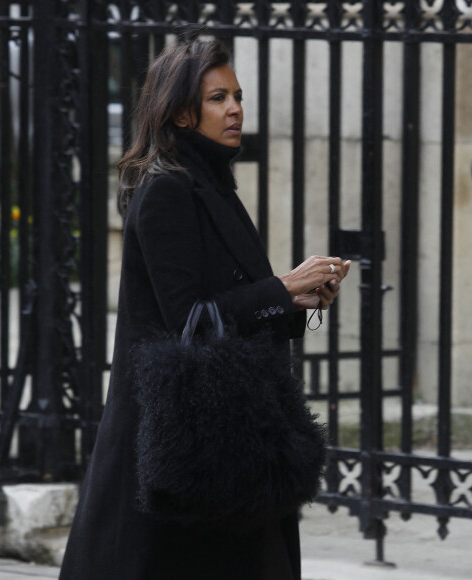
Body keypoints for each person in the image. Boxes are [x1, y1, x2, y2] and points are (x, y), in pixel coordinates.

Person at [59, 38, 350, 580]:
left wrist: (306, 303)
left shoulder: (212, 186)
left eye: (237, 96)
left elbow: (244, 311)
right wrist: (283, 286)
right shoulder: (166, 191)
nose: (236, 108)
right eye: (219, 98)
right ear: (181, 111)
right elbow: (189, 320)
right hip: (177, 444)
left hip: (229, 440)